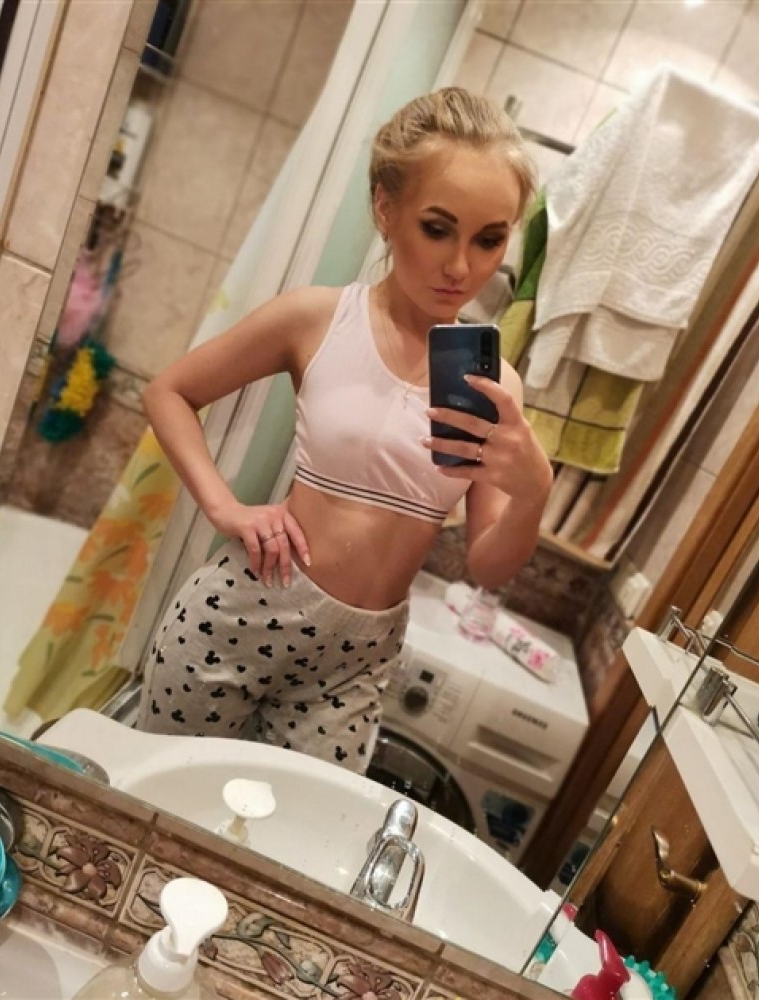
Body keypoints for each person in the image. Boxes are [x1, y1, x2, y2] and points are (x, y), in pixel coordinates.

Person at [135, 87, 553, 773]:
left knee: (297, 831)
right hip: (242, 615)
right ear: (386, 209)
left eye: (489, 239)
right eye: (437, 228)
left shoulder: (497, 385)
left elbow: (488, 566)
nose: (461, 267)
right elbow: (169, 392)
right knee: (158, 799)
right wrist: (225, 507)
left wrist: (534, 491)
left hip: (357, 660)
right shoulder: (317, 319)